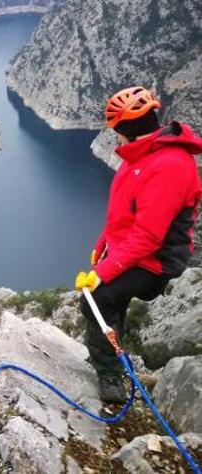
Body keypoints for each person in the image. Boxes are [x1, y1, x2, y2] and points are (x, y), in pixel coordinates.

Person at [75, 86, 201, 404]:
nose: (114, 138)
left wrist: (102, 272)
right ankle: (110, 355)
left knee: (96, 299)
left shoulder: (169, 167)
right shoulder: (141, 156)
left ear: (128, 131)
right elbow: (122, 212)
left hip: (155, 260)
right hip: (130, 251)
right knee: (112, 301)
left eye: (117, 131)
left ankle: (110, 376)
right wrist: (103, 243)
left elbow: (148, 236)